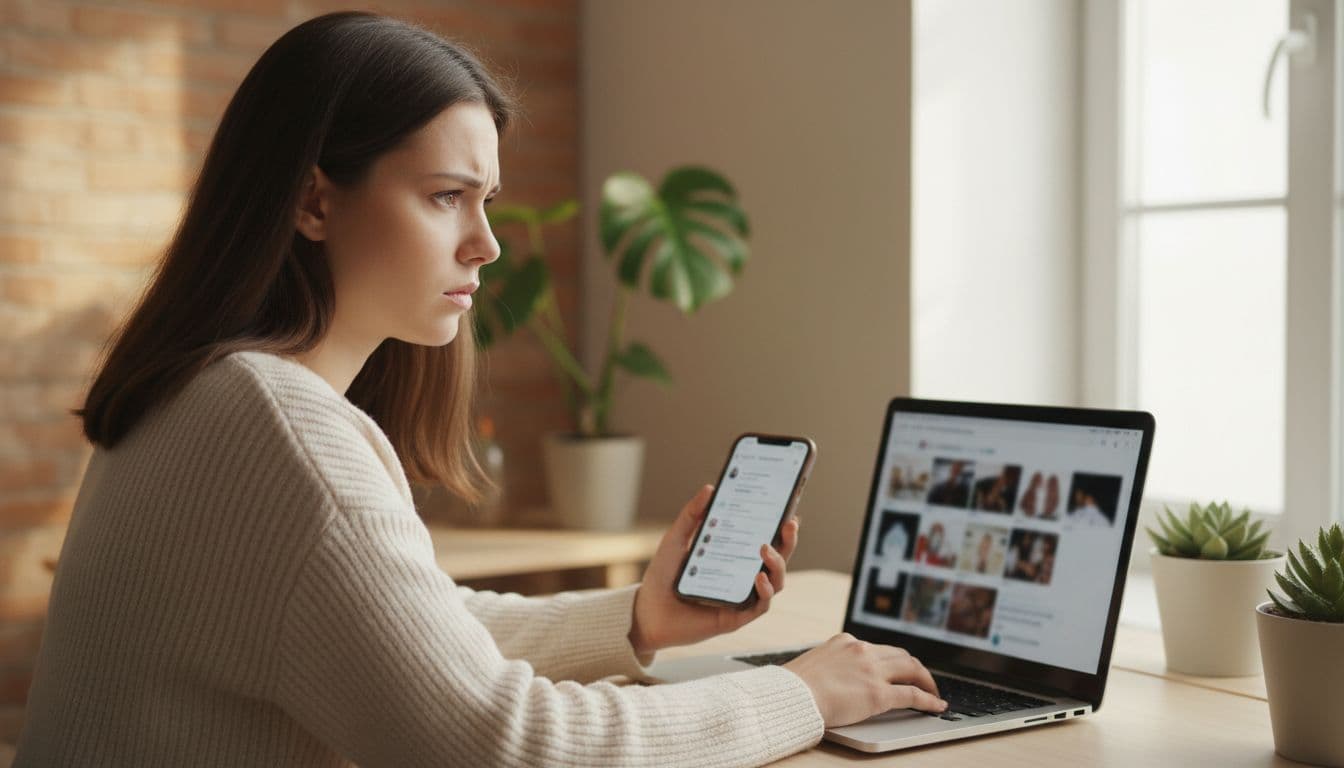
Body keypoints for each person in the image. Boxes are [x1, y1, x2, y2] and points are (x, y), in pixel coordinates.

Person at [13, 12, 945, 767]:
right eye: (444, 196)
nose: (486, 244)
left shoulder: (210, 393)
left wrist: (635, 617)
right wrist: (803, 694)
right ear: (312, 201)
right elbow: (510, 747)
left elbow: (414, 629)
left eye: (486, 200)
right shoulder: (276, 425)